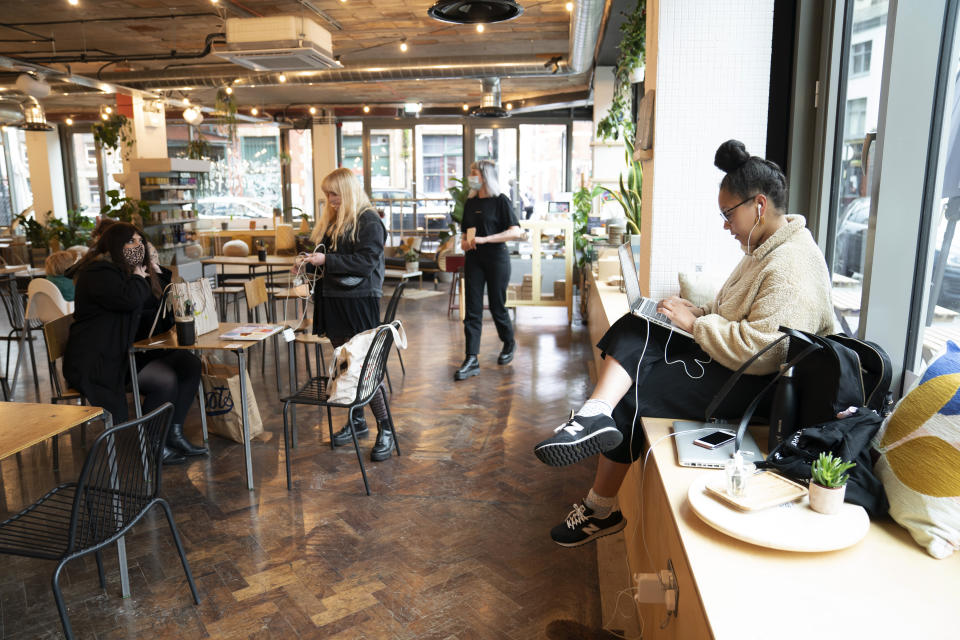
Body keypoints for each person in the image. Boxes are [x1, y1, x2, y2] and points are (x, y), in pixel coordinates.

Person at [533, 139, 837, 547]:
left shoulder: (791, 266)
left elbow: (766, 352)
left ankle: (599, 502)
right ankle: (595, 414)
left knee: (636, 386)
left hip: (759, 389)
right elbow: (730, 309)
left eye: (729, 214)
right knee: (638, 324)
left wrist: (695, 326)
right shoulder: (762, 248)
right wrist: (692, 310)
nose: (725, 225)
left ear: (758, 206)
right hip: (733, 366)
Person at [63, 223, 205, 465]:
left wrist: (155, 270)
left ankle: (175, 433)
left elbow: (153, 309)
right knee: (165, 379)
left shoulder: (124, 271)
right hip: (99, 360)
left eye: (140, 241)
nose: (137, 246)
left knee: (190, 364)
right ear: (115, 245)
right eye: (131, 241)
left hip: (125, 350)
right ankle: (154, 444)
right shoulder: (98, 272)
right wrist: (140, 277)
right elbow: (129, 300)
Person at [298, 168, 394, 461]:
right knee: (345, 365)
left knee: (364, 368)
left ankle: (385, 427)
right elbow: (327, 260)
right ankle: (357, 420)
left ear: (348, 192)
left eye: (334, 194)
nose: (330, 200)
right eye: (327, 195)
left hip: (358, 302)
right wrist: (306, 264)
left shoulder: (369, 221)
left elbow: (364, 263)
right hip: (335, 301)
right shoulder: (336, 220)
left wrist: (325, 259)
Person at [454, 160, 525, 381]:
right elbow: (466, 233)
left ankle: (509, 342)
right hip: (474, 259)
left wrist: (486, 239)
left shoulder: (500, 201)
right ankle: (471, 358)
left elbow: (515, 231)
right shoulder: (469, 203)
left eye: (473, 172)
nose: (470, 176)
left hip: (497, 259)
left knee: (497, 306)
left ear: (485, 176)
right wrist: (465, 242)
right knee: (472, 310)